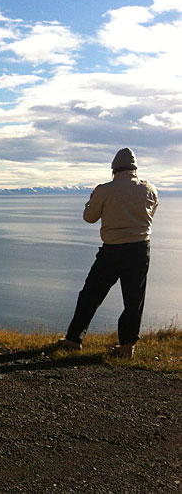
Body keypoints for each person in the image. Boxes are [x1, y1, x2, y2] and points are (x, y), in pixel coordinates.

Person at [46, 148, 158, 358]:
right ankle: (127, 346)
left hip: (113, 250)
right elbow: (151, 213)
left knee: (90, 294)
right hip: (140, 249)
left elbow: (89, 217)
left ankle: (73, 340)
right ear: (134, 168)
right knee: (134, 299)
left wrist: (91, 201)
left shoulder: (105, 190)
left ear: (114, 169)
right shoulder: (149, 188)